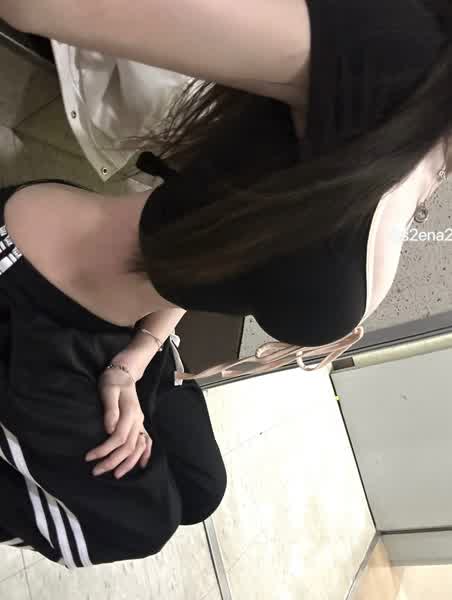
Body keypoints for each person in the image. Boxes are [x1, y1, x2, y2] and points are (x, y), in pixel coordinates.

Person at [0, 0, 450, 566]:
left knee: (199, 487)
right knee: (127, 527)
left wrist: (135, 359)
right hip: (37, 287)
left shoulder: (430, 144)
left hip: (123, 323)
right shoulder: (400, 60)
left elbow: (215, 254)